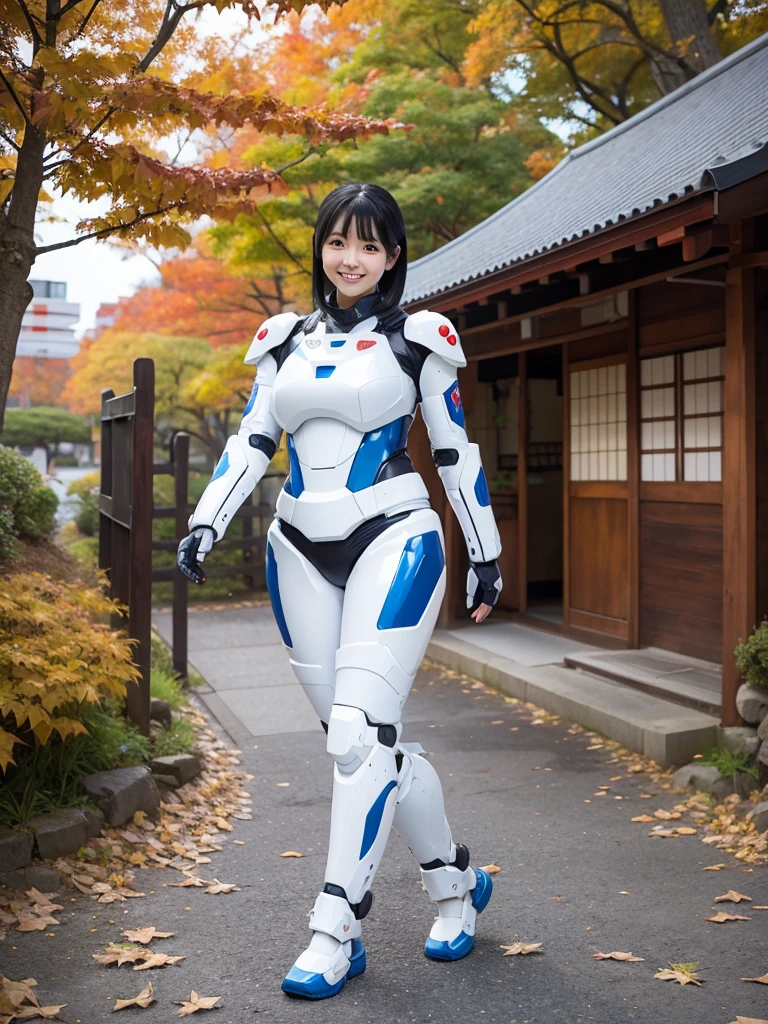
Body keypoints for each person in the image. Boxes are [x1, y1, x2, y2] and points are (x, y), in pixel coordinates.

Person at [177, 183, 503, 1000]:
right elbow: (252, 440)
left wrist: (485, 554)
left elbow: (456, 452)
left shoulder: (419, 341)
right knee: (365, 742)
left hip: (395, 537)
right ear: (320, 248)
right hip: (296, 549)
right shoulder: (283, 341)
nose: (350, 259)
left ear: (393, 256)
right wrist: (205, 522)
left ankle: (335, 927)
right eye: (337, 242)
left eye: (369, 245)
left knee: (358, 736)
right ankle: (454, 886)